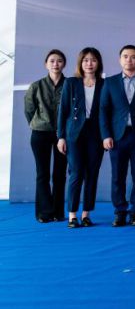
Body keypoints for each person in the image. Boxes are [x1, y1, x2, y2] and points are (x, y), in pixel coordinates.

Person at [99, 45, 135, 227]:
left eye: (134, 57)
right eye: (125, 56)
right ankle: (120, 211)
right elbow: (103, 110)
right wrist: (106, 135)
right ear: (120, 60)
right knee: (117, 177)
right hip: (117, 136)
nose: (129, 60)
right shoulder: (110, 82)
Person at [56, 47, 105, 228]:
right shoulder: (71, 82)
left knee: (92, 173)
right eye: (86, 60)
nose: (89, 63)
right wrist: (61, 137)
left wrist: (107, 135)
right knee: (76, 173)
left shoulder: (104, 84)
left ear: (98, 63)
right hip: (74, 133)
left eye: (93, 60)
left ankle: (86, 214)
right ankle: (72, 215)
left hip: (96, 133)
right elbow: (63, 111)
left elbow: (108, 111)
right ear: (80, 63)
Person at [25, 49, 67, 223]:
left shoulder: (70, 85)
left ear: (64, 64)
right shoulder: (36, 86)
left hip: (62, 135)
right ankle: (44, 212)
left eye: (59, 61)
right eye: (52, 61)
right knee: (42, 174)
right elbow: (29, 110)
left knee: (60, 174)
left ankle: (58, 212)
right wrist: (39, 123)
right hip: (40, 133)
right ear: (46, 64)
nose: (55, 64)